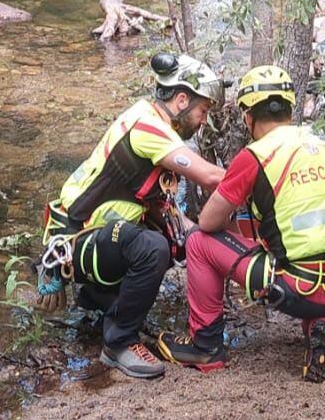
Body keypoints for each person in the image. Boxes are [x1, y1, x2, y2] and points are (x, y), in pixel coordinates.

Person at [150, 65, 325, 381]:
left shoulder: (256, 155)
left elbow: (210, 222)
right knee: (315, 255)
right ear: (289, 109)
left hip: (302, 289)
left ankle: (205, 346)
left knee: (199, 242)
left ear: (247, 117)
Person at [37, 52, 226, 379]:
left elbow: (168, 214)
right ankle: (119, 343)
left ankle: (100, 300)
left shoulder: (152, 124)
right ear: (181, 99)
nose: (203, 121)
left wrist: (205, 243)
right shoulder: (147, 126)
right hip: (77, 239)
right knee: (153, 247)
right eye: (202, 111)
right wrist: (260, 176)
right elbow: (210, 177)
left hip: (95, 239)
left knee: (173, 240)